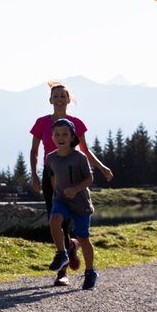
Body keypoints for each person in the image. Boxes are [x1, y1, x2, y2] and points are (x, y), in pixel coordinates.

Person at [29, 81, 113, 286]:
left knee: (72, 225)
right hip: (52, 177)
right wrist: (34, 175)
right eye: (55, 96)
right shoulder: (41, 123)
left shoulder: (76, 124)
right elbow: (34, 152)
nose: (58, 99)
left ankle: (75, 251)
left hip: (74, 177)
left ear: (68, 99)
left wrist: (102, 167)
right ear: (50, 100)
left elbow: (85, 150)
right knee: (57, 221)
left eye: (62, 95)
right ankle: (62, 271)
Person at [45, 118, 98, 290]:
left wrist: (75, 189)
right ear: (52, 137)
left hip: (80, 203)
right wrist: (57, 194)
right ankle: (62, 254)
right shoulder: (50, 158)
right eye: (57, 134)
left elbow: (89, 178)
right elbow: (53, 177)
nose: (61, 137)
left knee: (83, 238)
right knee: (54, 220)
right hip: (61, 200)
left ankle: (90, 272)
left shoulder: (79, 157)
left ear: (72, 136)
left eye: (65, 134)